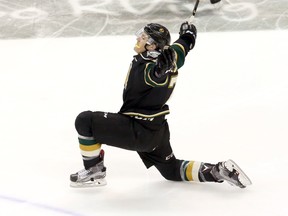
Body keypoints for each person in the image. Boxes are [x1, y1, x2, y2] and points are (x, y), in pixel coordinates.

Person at [70, 22, 252, 188]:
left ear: (151, 45)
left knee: (85, 121)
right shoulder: (171, 56)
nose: (138, 38)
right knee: (172, 170)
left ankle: (94, 172)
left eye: (143, 37)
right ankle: (217, 171)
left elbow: (154, 76)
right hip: (156, 131)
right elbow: (182, 48)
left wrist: (159, 72)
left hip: (137, 129)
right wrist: (188, 36)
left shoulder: (150, 66)